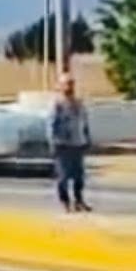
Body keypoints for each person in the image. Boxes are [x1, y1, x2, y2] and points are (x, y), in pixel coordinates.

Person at [47, 73, 92, 212]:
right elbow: (51, 125)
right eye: (66, 84)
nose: (69, 87)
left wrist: (87, 138)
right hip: (63, 145)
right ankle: (65, 201)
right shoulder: (57, 105)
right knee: (63, 176)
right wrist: (53, 142)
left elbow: (84, 122)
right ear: (60, 86)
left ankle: (79, 201)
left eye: (71, 83)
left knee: (79, 176)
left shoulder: (79, 103)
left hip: (78, 143)